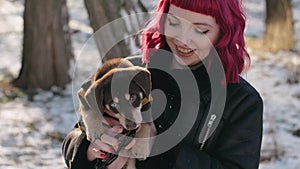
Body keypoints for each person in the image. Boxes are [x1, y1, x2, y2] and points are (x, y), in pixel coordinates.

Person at [62, 0, 263, 168]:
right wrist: (88, 148)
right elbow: (76, 133)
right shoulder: (130, 71)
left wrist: (162, 152)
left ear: (224, 33)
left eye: (200, 30)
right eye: (174, 23)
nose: (182, 40)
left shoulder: (241, 101)